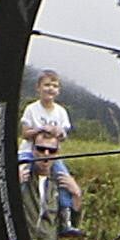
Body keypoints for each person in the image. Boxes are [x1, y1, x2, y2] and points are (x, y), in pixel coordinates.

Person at [17, 70, 82, 230]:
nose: (50, 89)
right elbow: (25, 133)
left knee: (63, 178)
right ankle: (17, 208)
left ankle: (66, 217)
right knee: (21, 174)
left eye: (54, 86)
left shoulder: (60, 112)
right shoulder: (31, 109)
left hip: (52, 152)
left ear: (58, 91)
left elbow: (63, 135)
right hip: (28, 151)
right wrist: (40, 130)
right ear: (38, 88)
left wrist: (58, 132)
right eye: (47, 85)